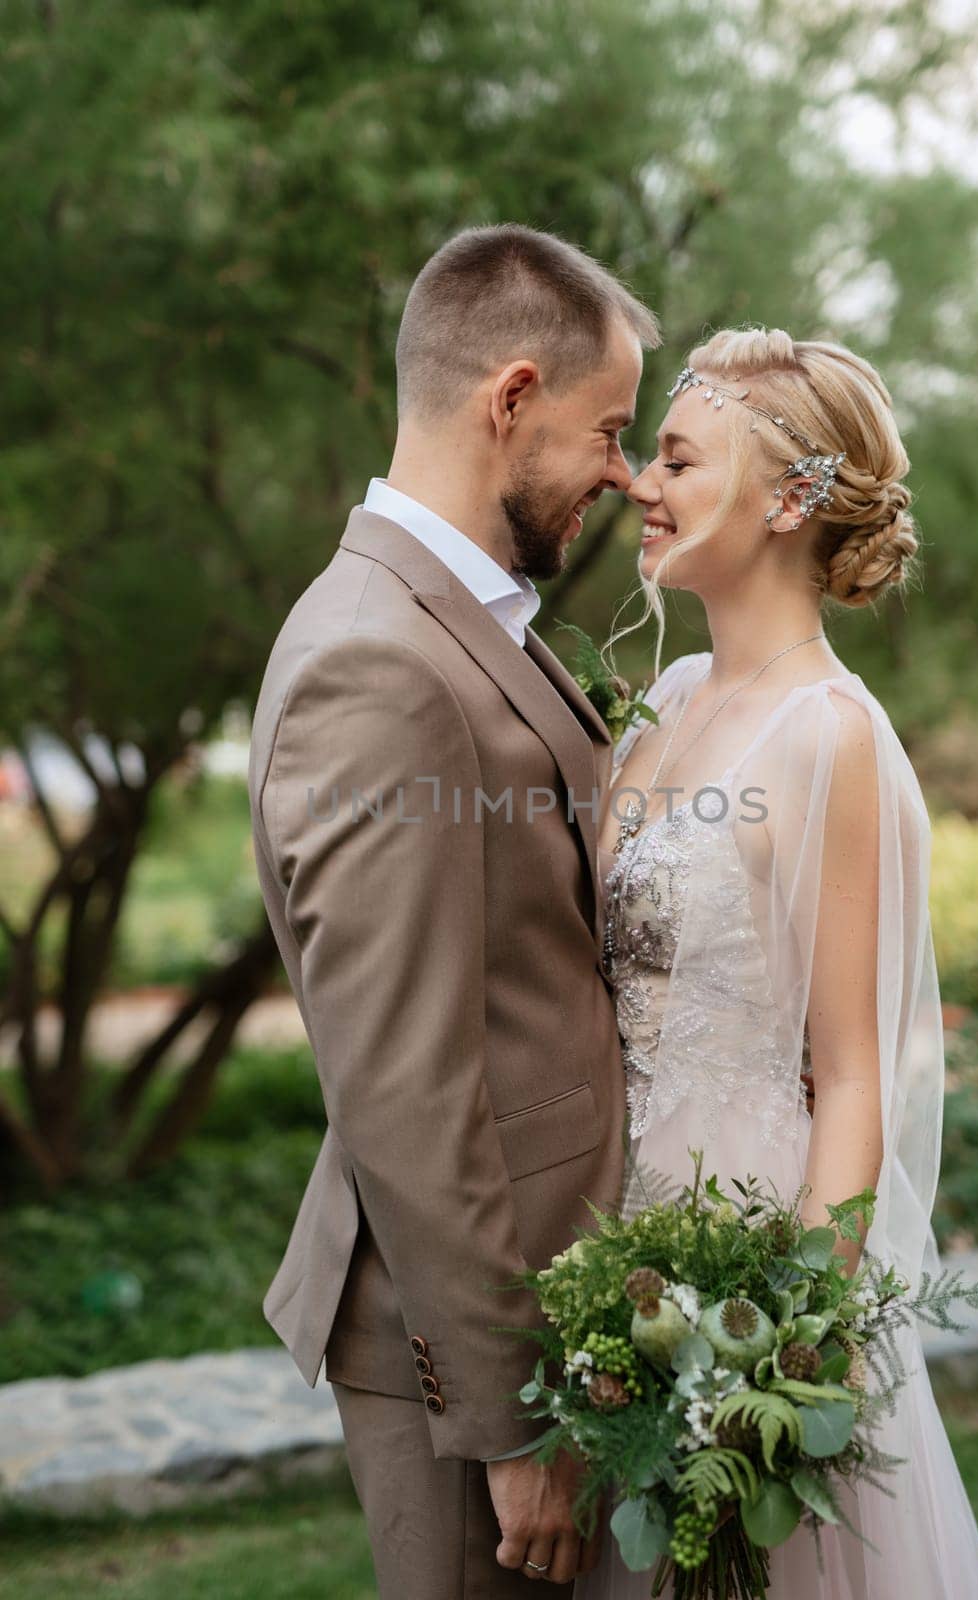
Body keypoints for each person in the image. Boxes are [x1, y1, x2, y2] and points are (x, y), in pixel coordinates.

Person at [246, 223, 660, 1597]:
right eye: (609, 430)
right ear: (512, 400)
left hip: (560, 1294)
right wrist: (506, 1418)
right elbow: (404, 1085)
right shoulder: (376, 662)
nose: (624, 471)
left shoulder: (464, 622)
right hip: (478, 1361)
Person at [577, 327, 978, 1598]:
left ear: (790, 497)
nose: (640, 485)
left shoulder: (832, 739)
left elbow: (855, 1075)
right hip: (620, 1247)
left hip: (750, 1254)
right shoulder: (667, 697)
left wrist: (793, 1337)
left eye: (676, 458)